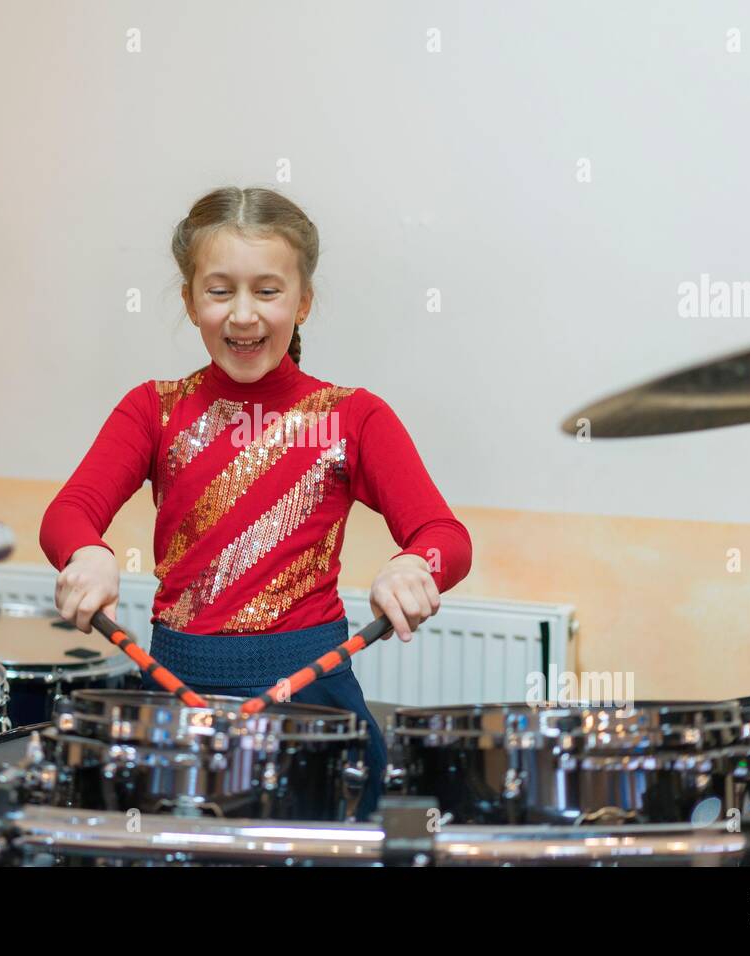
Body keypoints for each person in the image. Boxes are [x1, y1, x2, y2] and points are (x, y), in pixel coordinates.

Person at [40, 185, 472, 819]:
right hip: (175, 693)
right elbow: (68, 512)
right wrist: (89, 552)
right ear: (189, 301)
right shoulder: (152, 408)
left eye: (267, 291)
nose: (243, 315)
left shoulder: (353, 416)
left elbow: (444, 533)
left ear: (303, 302)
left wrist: (415, 565)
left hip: (310, 701)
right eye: (220, 291)